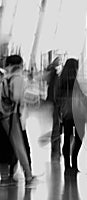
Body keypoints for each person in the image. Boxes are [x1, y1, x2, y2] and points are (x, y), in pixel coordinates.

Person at [0, 55, 35, 186]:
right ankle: (28, 175)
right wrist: (27, 98)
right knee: (20, 145)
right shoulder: (18, 78)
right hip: (14, 115)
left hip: (4, 115)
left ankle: (4, 176)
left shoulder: (5, 78)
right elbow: (17, 97)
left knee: (5, 146)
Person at [57, 58, 85, 174]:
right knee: (79, 138)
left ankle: (67, 166)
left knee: (67, 138)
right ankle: (74, 162)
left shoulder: (61, 80)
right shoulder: (75, 81)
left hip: (66, 113)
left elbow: (56, 97)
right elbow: (81, 97)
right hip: (78, 113)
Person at [45, 57, 63, 161]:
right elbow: (56, 91)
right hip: (57, 104)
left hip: (54, 103)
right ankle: (56, 149)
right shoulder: (57, 76)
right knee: (57, 125)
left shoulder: (52, 74)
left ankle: (56, 149)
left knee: (56, 125)